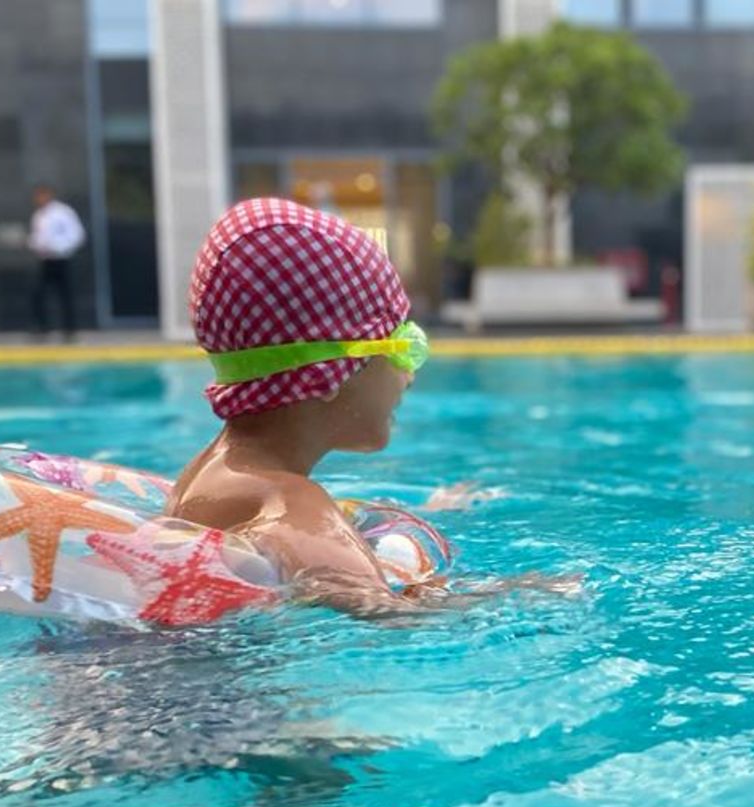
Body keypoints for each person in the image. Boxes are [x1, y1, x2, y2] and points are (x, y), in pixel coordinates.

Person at [167, 198, 563, 617]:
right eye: (404, 346)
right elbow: (391, 620)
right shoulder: (294, 506)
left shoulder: (203, 478)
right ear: (327, 373)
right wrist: (520, 594)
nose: (410, 373)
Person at [27, 184, 86, 339]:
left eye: (42, 195)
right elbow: (37, 238)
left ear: (49, 195)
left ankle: (69, 330)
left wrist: (60, 248)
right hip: (46, 260)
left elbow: (77, 234)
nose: (39, 199)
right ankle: (42, 328)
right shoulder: (38, 216)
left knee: (65, 295)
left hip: (61, 260)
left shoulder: (62, 212)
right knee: (38, 294)